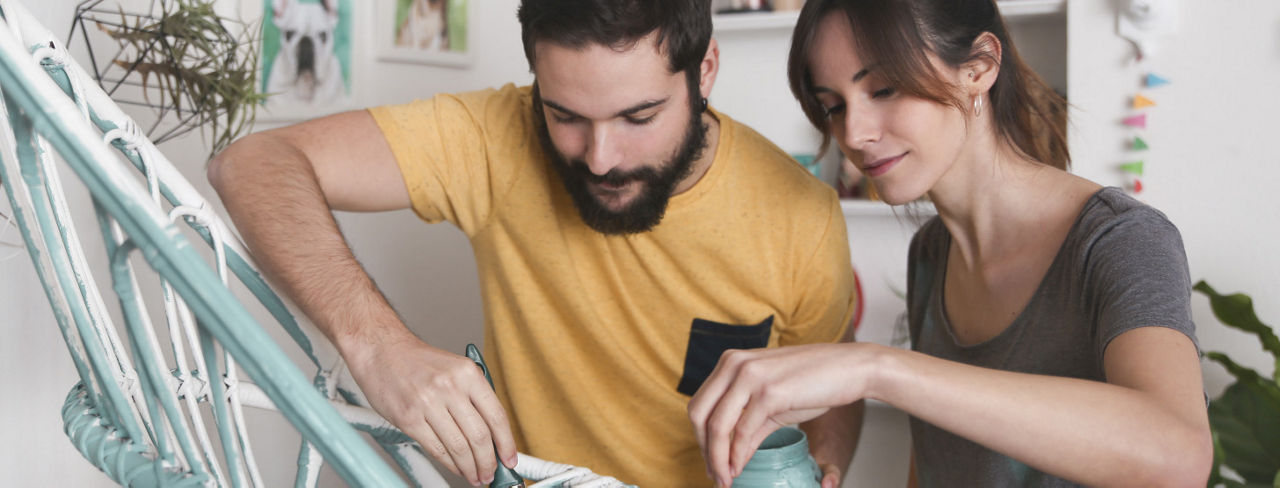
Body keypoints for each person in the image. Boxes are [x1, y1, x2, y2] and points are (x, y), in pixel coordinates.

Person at [208, 0, 862, 486]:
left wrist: (829, 461)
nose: (601, 159)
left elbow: (832, 393)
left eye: (638, 117)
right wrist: (376, 345)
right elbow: (252, 164)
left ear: (706, 70)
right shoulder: (495, 136)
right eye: (565, 116)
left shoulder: (802, 214)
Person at [687, 0, 1213, 486]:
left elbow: (1179, 453)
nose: (855, 134)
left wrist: (874, 369)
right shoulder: (932, 254)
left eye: (884, 89)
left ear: (979, 66)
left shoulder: (1119, 241)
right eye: (834, 106)